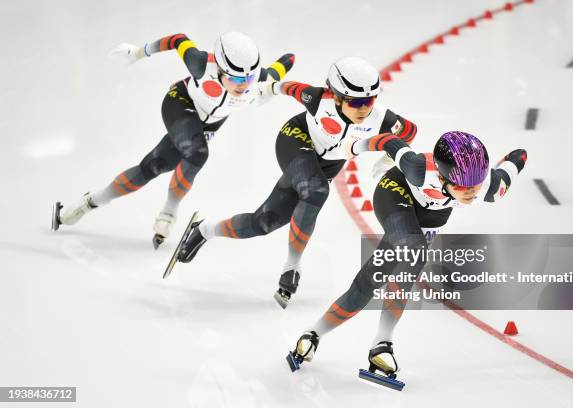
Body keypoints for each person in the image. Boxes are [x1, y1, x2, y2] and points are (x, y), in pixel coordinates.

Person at [174, 57, 418, 308]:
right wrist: (269, 89)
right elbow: (291, 87)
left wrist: (389, 158)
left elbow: (410, 131)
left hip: (327, 164)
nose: (363, 108)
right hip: (295, 140)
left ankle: (204, 229)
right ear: (335, 96)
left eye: (369, 100)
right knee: (317, 191)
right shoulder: (317, 98)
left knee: (263, 223)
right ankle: (292, 267)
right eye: (355, 102)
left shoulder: (380, 118)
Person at [288, 131, 527, 380]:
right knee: (415, 253)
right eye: (460, 186)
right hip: (395, 193)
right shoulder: (417, 168)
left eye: (475, 185)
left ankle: (318, 335)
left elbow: (519, 156)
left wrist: (501, 165)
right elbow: (390, 142)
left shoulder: (489, 187)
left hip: (430, 216)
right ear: (442, 177)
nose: (469, 192)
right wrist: (356, 146)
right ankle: (380, 342)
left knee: (372, 279)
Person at [52, 32, 294, 249]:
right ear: (219, 69)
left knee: (153, 166)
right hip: (180, 103)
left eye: (249, 80)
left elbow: (285, 63)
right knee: (198, 154)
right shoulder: (200, 64)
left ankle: (89, 202)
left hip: (207, 124)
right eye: (237, 80)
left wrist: (272, 88)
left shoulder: (256, 79)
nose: (244, 86)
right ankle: (169, 211)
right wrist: (139, 52)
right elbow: (178, 39)